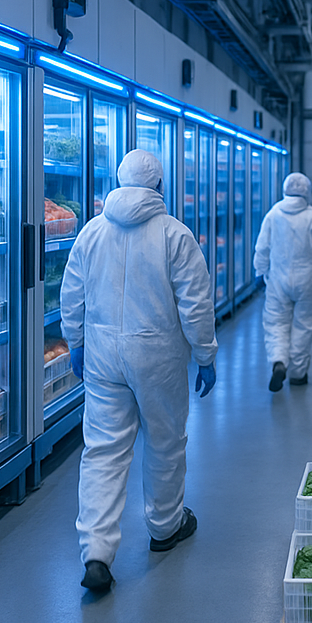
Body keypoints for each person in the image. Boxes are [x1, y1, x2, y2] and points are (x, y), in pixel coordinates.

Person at [61, 148, 217, 594]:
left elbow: (71, 293)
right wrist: (205, 355)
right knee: (165, 442)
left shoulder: (92, 231)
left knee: (103, 449)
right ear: (160, 187)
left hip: (103, 354)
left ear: (118, 181)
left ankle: (95, 552)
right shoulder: (174, 235)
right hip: (159, 356)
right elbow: (195, 303)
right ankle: (166, 527)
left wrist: (76, 343)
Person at [254, 172, 312, 391]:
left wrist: (259, 273)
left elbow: (262, 247)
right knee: (304, 324)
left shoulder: (273, 215)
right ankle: (298, 374)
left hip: (278, 279)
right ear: (307, 192)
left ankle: (279, 362)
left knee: (276, 322)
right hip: (308, 279)